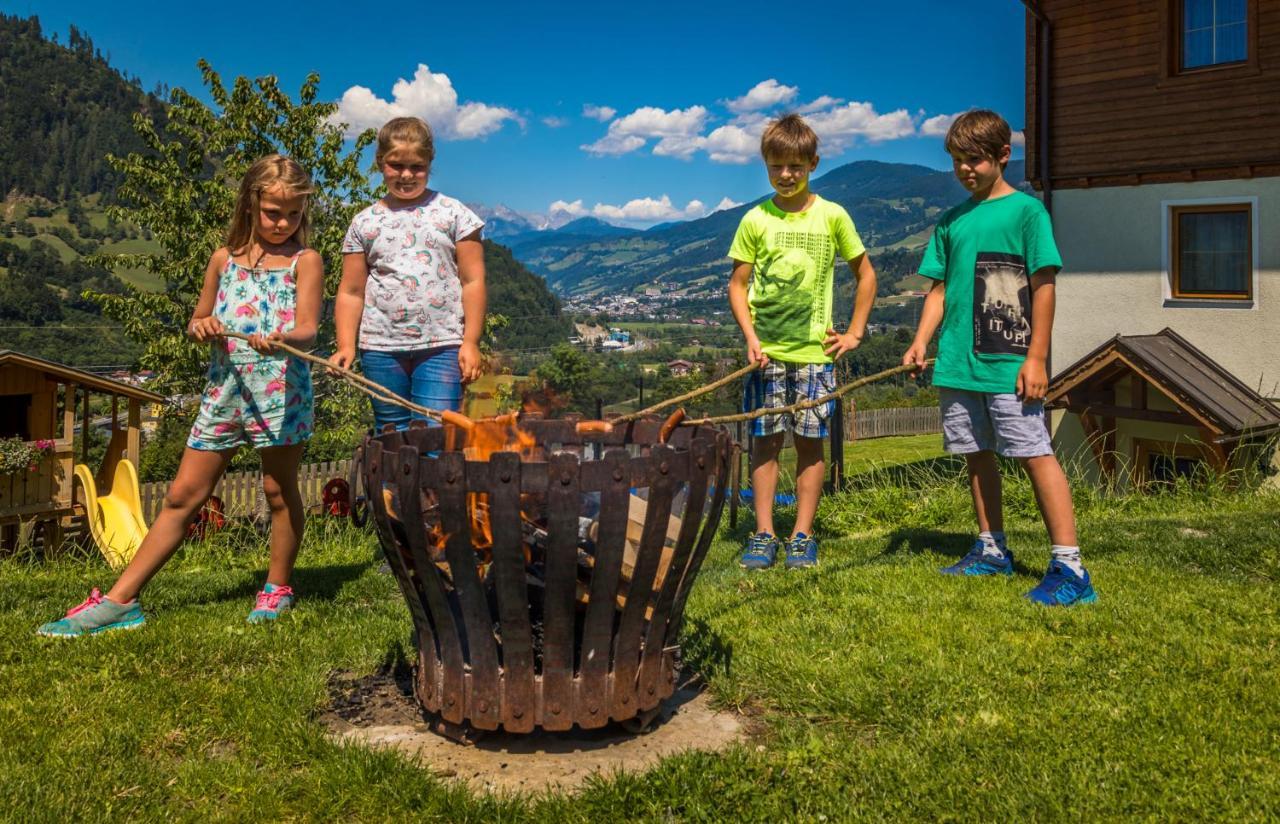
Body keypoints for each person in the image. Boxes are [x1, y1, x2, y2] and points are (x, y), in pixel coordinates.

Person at [39, 155, 324, 637]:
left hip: (281, 393)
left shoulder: (306, 261)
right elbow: (197, 321)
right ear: (250, 205)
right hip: (225, 392)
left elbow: (310, 331)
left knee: (278, 491)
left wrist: (283, 339)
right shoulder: (223, 259)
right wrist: (203, 327)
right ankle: (120, 601)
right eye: (274, 211)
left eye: (293, 214)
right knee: (181, 495)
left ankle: (276, 589)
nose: (282, 223)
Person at [902, 109, 1096, 606]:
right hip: (958, 364)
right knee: (976, 455)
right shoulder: (952, 220)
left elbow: (1045, 287)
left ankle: (1070, 567)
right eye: (958, 161)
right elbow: (939, 289)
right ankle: (991, 549)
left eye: (975, 160)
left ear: (1003, 156)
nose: (965, 169)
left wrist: (1037, 359)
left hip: (1009, 363)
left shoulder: (1027, 213)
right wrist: (922, 340)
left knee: (1034, 454)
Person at [728, 113, 878, 570]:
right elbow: (738, 285)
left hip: (816, 355)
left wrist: (853, 333)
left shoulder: (832, 216)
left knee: (811, 446)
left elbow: (866, 274)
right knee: (765, 443)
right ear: (766, 166)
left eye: (795, 166)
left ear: (813, 163)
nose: (786, 175)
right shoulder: (755, 219)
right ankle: (763, 534)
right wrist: (751, 338)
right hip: (767, 355)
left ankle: (801, 535)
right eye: (776, 167)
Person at [329, 116, 485, 429]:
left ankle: (432, 481)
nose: (406, 175)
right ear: (380, 163)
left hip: (442, 345)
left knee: (436, 433)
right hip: (380, 349)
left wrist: (470, 342)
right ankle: (392, 482)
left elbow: (473, 280)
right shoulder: (364, 222)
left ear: (430, 163)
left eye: (417, 166)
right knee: (392, 437)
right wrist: (345, 345)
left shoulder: (454, 214)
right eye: (396, 165)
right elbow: (350, 291)